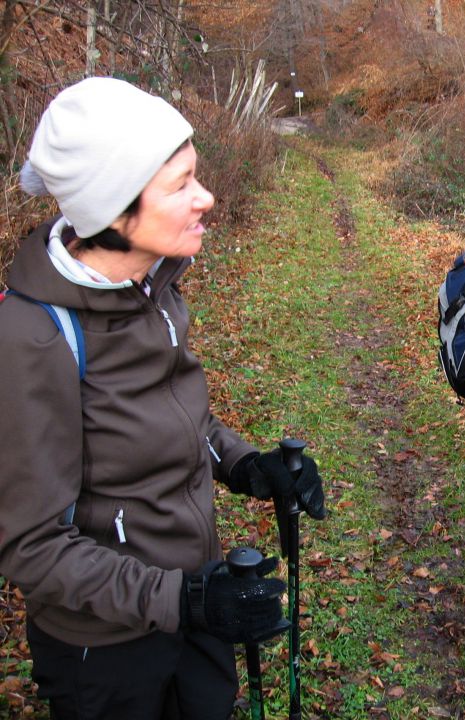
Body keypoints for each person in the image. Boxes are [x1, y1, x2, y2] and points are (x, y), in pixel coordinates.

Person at [0, 77, 325, 720]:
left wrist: (245, 466)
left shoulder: (153, 286)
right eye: (179, 185)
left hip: (194, 598)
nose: (206, 198)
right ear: (113, 212)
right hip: (109, 650)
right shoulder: (33, 338)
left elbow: (183, 418)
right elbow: (30, 546)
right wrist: (184, 600)